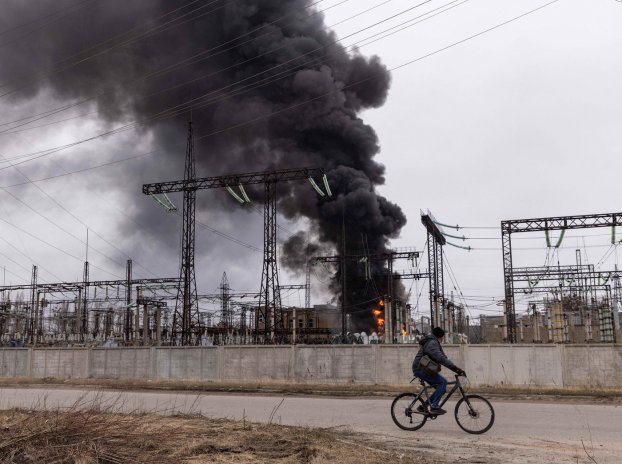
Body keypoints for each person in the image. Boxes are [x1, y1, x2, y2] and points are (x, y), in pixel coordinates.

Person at [412, 327, 466, 415]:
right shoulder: (432, 343)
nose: (443, 339)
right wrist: (455, 369)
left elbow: (444, 357)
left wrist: (457, 369)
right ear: (440, 337)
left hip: (424, 368)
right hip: (420, 369)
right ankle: (434, 406)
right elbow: (440, 358)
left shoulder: (434, 343)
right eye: (443, 337)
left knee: (442, 389)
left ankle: (424, 406)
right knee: (442, 382)